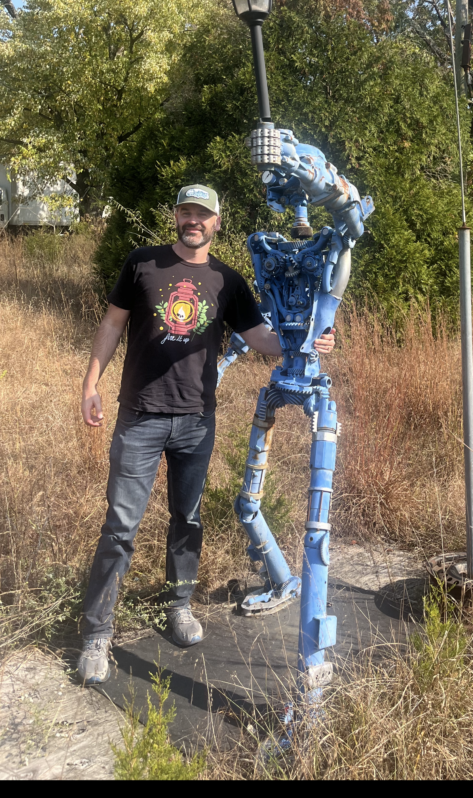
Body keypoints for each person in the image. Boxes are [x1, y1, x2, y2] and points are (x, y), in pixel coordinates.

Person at [77, 184, 335, 685]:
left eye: (204, 214)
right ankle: (96, 634)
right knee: (121, 527)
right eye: (187, 211)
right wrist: (90, 383)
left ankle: (179, 606)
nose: (194, 220)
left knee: (187, 518)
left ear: (217, 223)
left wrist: (308, 339)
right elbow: (112, 324)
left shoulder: (228, 280)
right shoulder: (142, 263)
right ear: (176, 215)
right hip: (140, 416)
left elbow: (261, 336)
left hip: (196, 420)